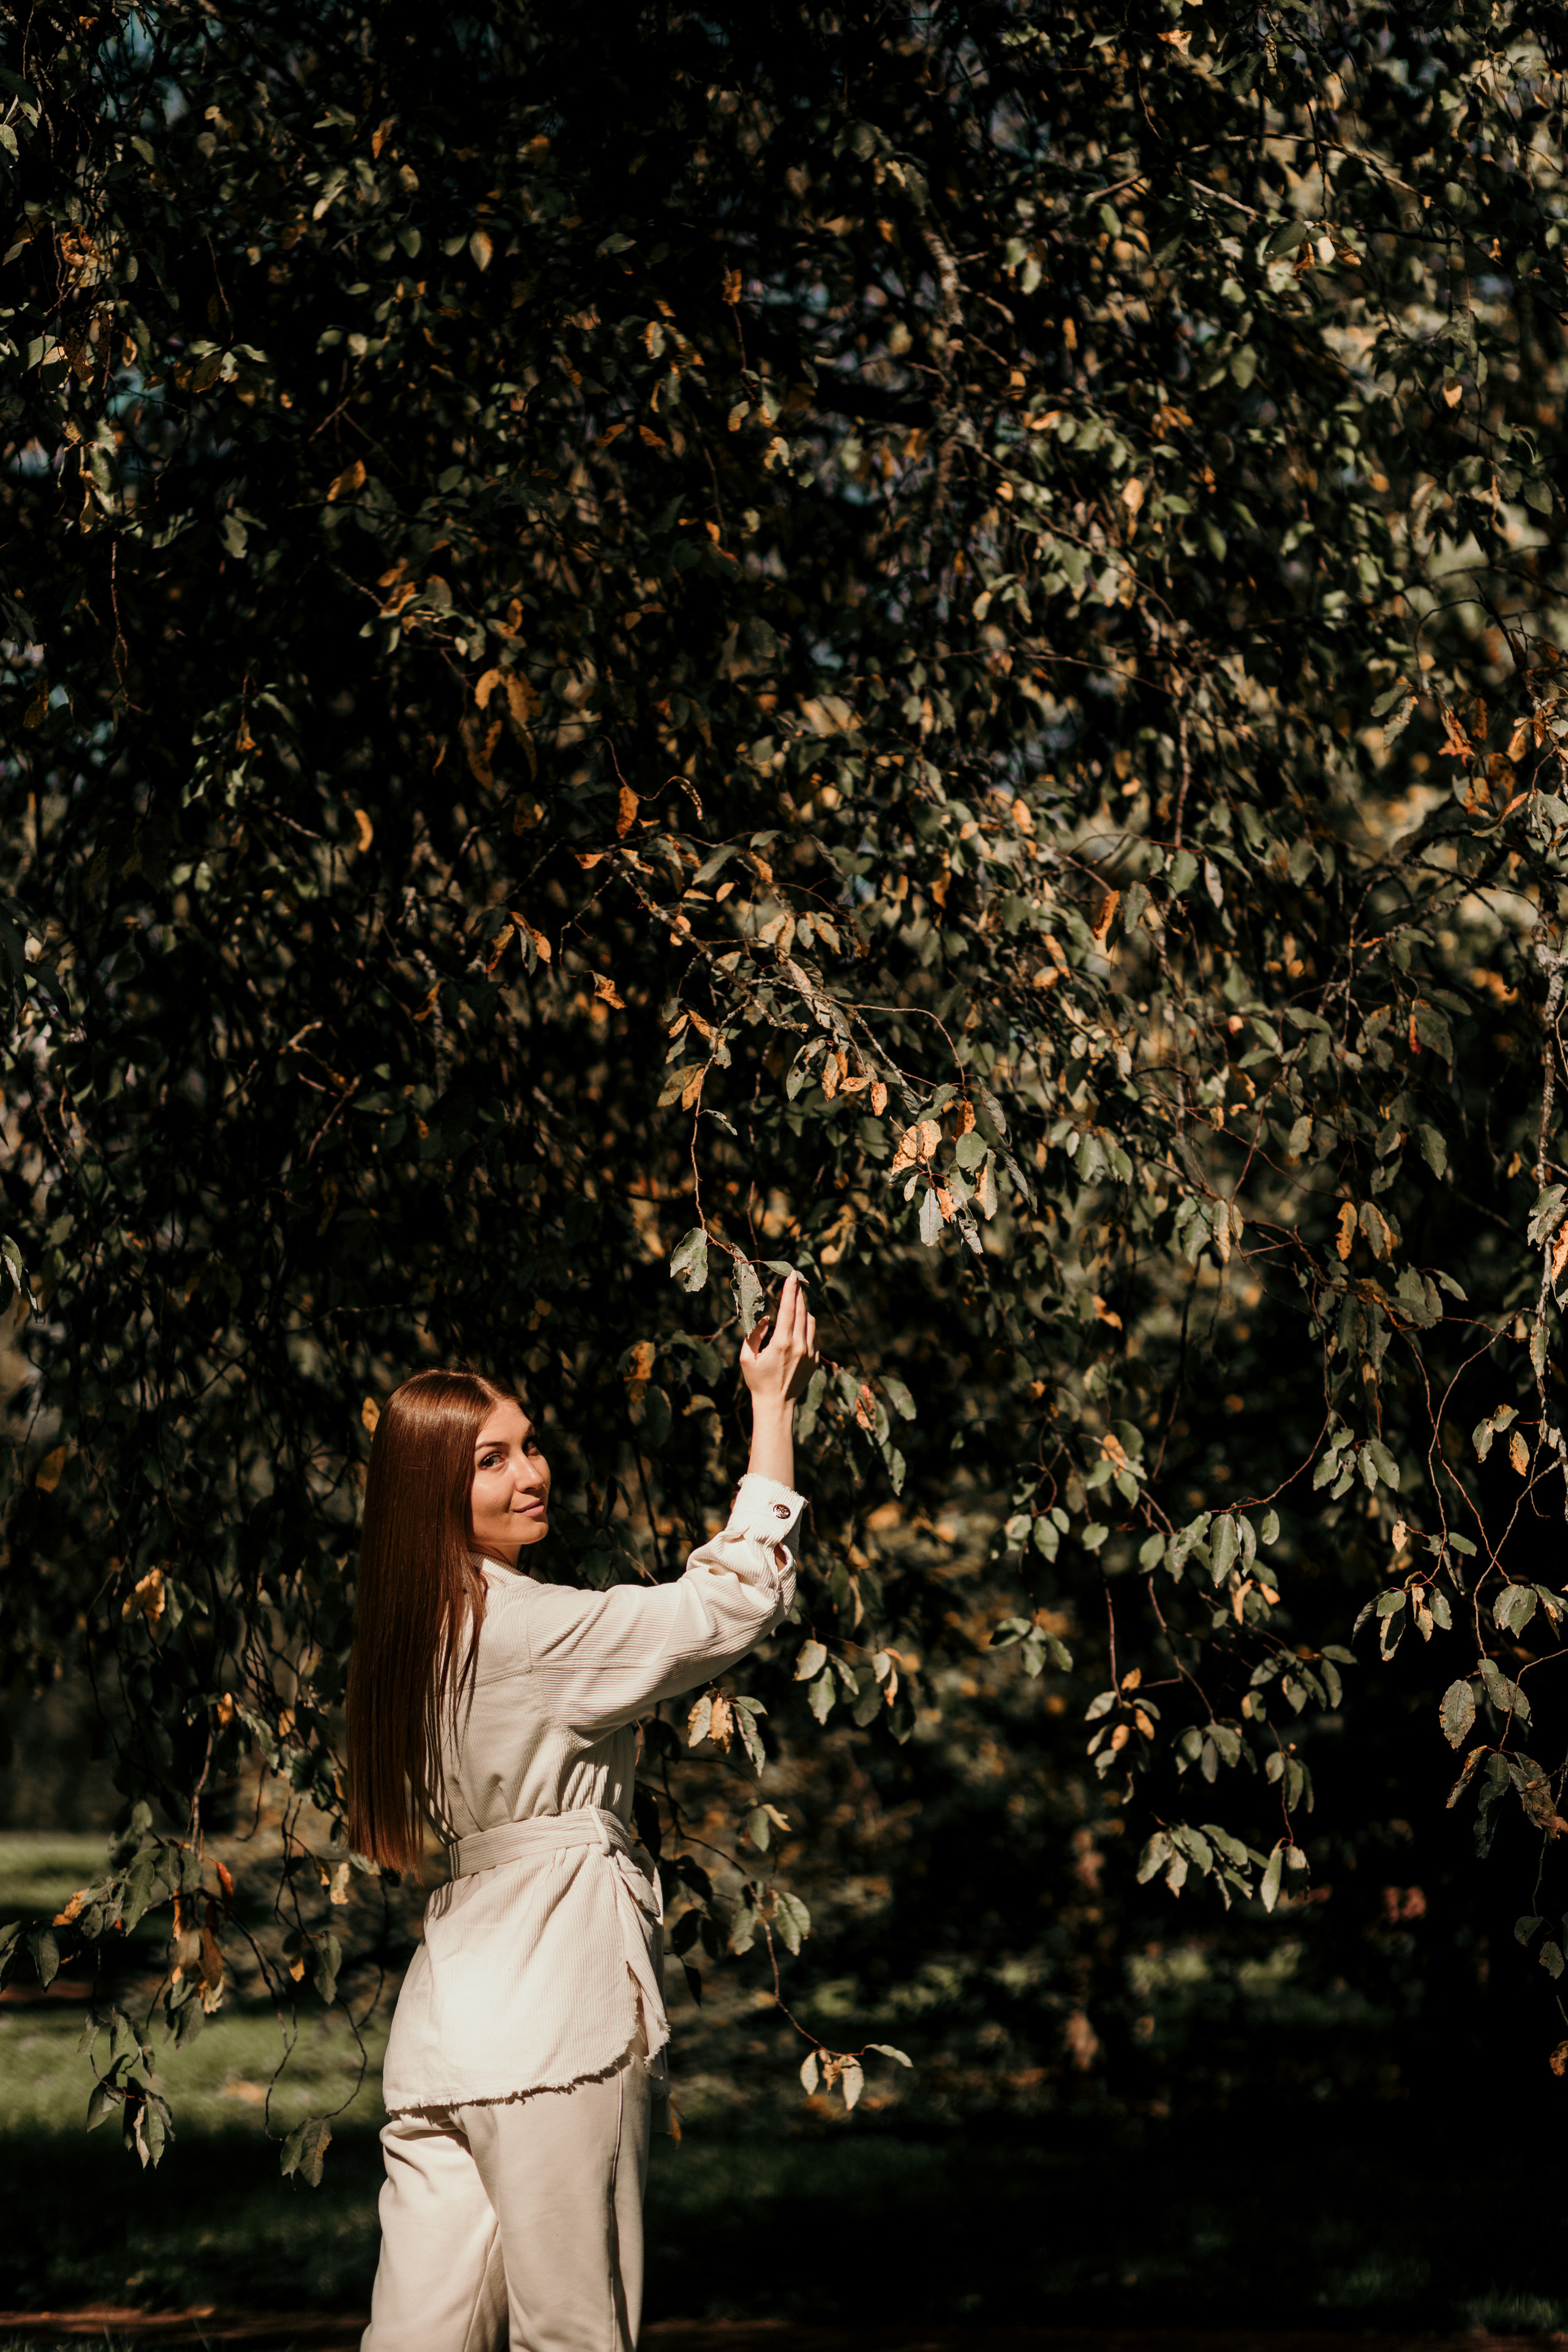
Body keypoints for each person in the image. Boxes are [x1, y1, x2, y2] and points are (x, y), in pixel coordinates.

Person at [347, 1273, 818, 2352]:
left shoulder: (405, 1639)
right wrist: (772, 1407)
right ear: (434, 1493)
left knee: (415, 2339)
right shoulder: (525, 1634)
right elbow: (734, 1598)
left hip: (447, 2030)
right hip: (556, 2012)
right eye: (493, 1460)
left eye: (528, 1445)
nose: (533, 1474)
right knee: (576, 2336)